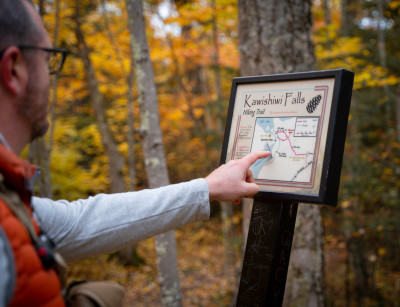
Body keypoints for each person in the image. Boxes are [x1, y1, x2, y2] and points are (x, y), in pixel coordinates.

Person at [0, 0, 270, 306]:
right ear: (14, 69)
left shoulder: (9, 198)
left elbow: (79, 223)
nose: (52, 77)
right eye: (48, 59)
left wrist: (206, 188)